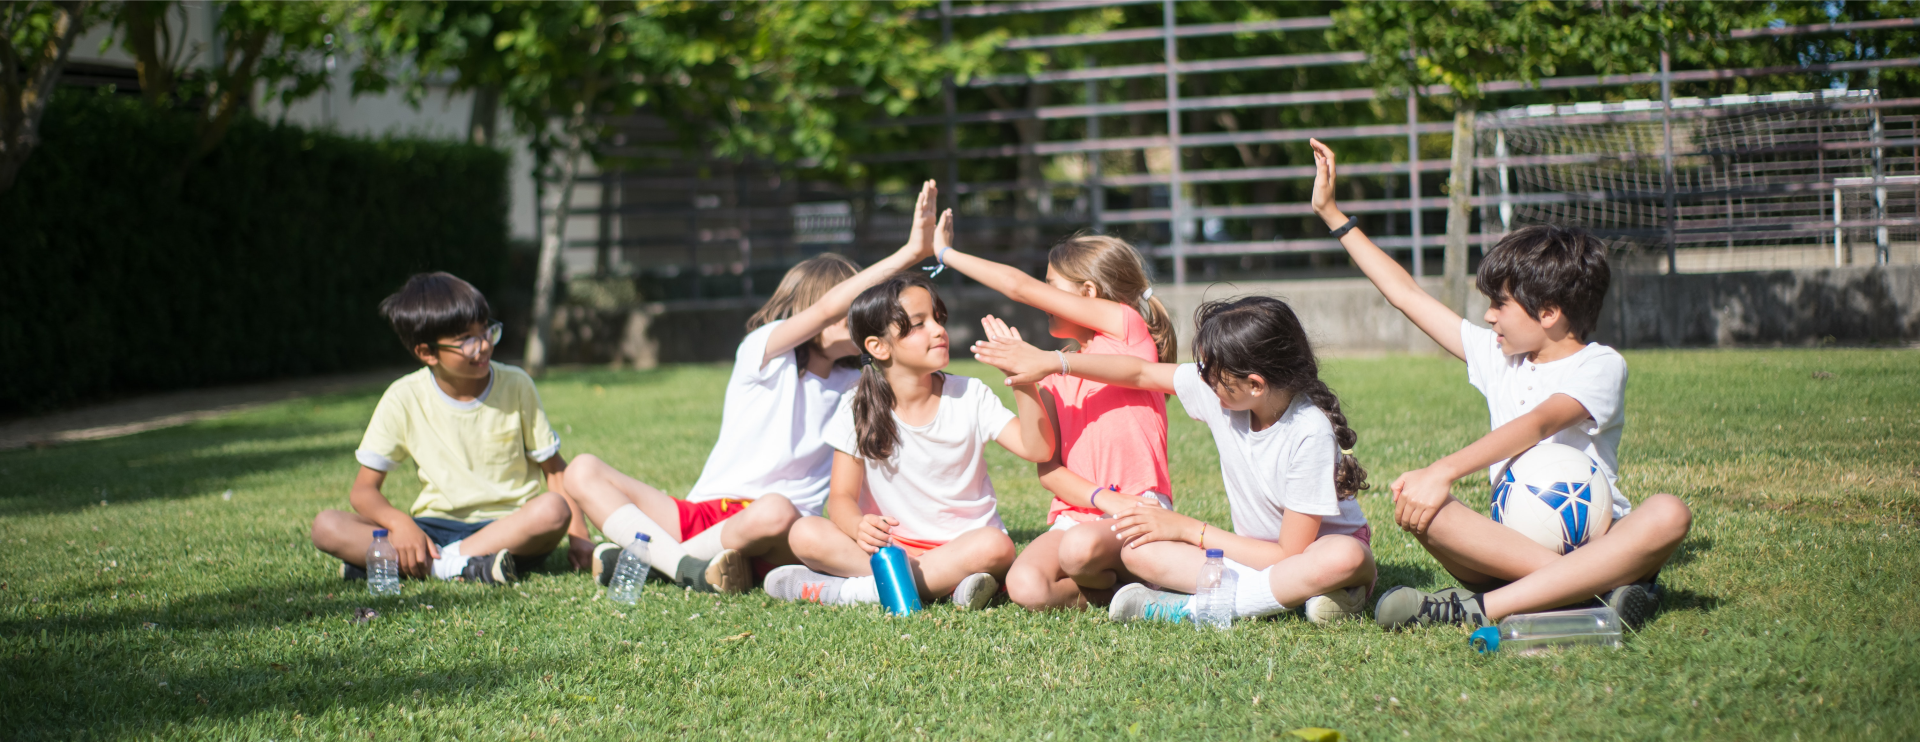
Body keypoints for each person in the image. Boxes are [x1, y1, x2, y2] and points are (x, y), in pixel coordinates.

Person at [1307, 138, 1692, 630]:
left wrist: (1445, 469)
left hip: (1597, 536)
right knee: (1416, 499)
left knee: (1667, 513)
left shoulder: (1601, 365)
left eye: (1501, 304)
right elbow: (1405, 294)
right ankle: (1595, 588)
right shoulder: (1497, 355)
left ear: (1549, 313)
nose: (1488, 317)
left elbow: (1538, 423)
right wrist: (1332, 213)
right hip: (1511, 545)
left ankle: (1485, 607)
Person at [563, 182, 943, 594]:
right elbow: (825, 309)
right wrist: (908, 253)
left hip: (777, 531)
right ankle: (684, 565)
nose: (859, 316)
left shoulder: (858, 386)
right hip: (703, 513)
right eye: (851, 305)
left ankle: (660, 559)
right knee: (582, 468)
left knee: (775, 510)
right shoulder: (763, 354)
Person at [973, 296, 1377, 624]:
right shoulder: (1224, 394)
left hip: (1305, 556)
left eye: (1214, 376)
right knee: (1137, 551)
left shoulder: (1309, 431)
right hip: (1249, 558)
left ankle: (1192, 609)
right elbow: (1139, 374)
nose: (1203, 381)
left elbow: (1288, 555)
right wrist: (1055, 362)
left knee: (1344, 556)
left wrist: (1187, 529)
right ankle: (1309, 601)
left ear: (1255, 384)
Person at [766, 270, 1056, 610]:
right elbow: (841, 497)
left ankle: (860, 591)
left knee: (997, 547)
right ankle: (943, 585)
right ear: (878, 347)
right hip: (892, 546)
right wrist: (857, 525)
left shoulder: (969, 395)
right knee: (805, 532)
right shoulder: (856, 405)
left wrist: (1022, 381)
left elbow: (1038, 449)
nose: (938, 329)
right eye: (918, 324)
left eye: (937, 318)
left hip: (965, 544)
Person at [927, 225, 1176, 610]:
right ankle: (1123, 591)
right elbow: (1049, 468)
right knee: (1025, 586)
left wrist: (943, 252)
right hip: (1080, 515)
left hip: (1139, 508)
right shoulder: (1053, 376)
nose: (1041, 295)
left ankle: (1146, 572)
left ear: (1088, 293)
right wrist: (1021, 377)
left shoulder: (1126, 328)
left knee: (1079, 551)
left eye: (1051, 285)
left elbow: (1017, 286)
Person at [311, 272, 583, 585]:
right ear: (427, 352)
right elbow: (363, 491)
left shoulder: (517, 384)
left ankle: (414, 566)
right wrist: (401, 524)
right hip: (432, 528)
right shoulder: (403, 397)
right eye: (465, 339)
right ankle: (467, 567)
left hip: (511, 528)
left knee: (552, 509)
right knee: (326, 525)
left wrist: (579, 537)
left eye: (486, 331)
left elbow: (556, 471)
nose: (482, 345)